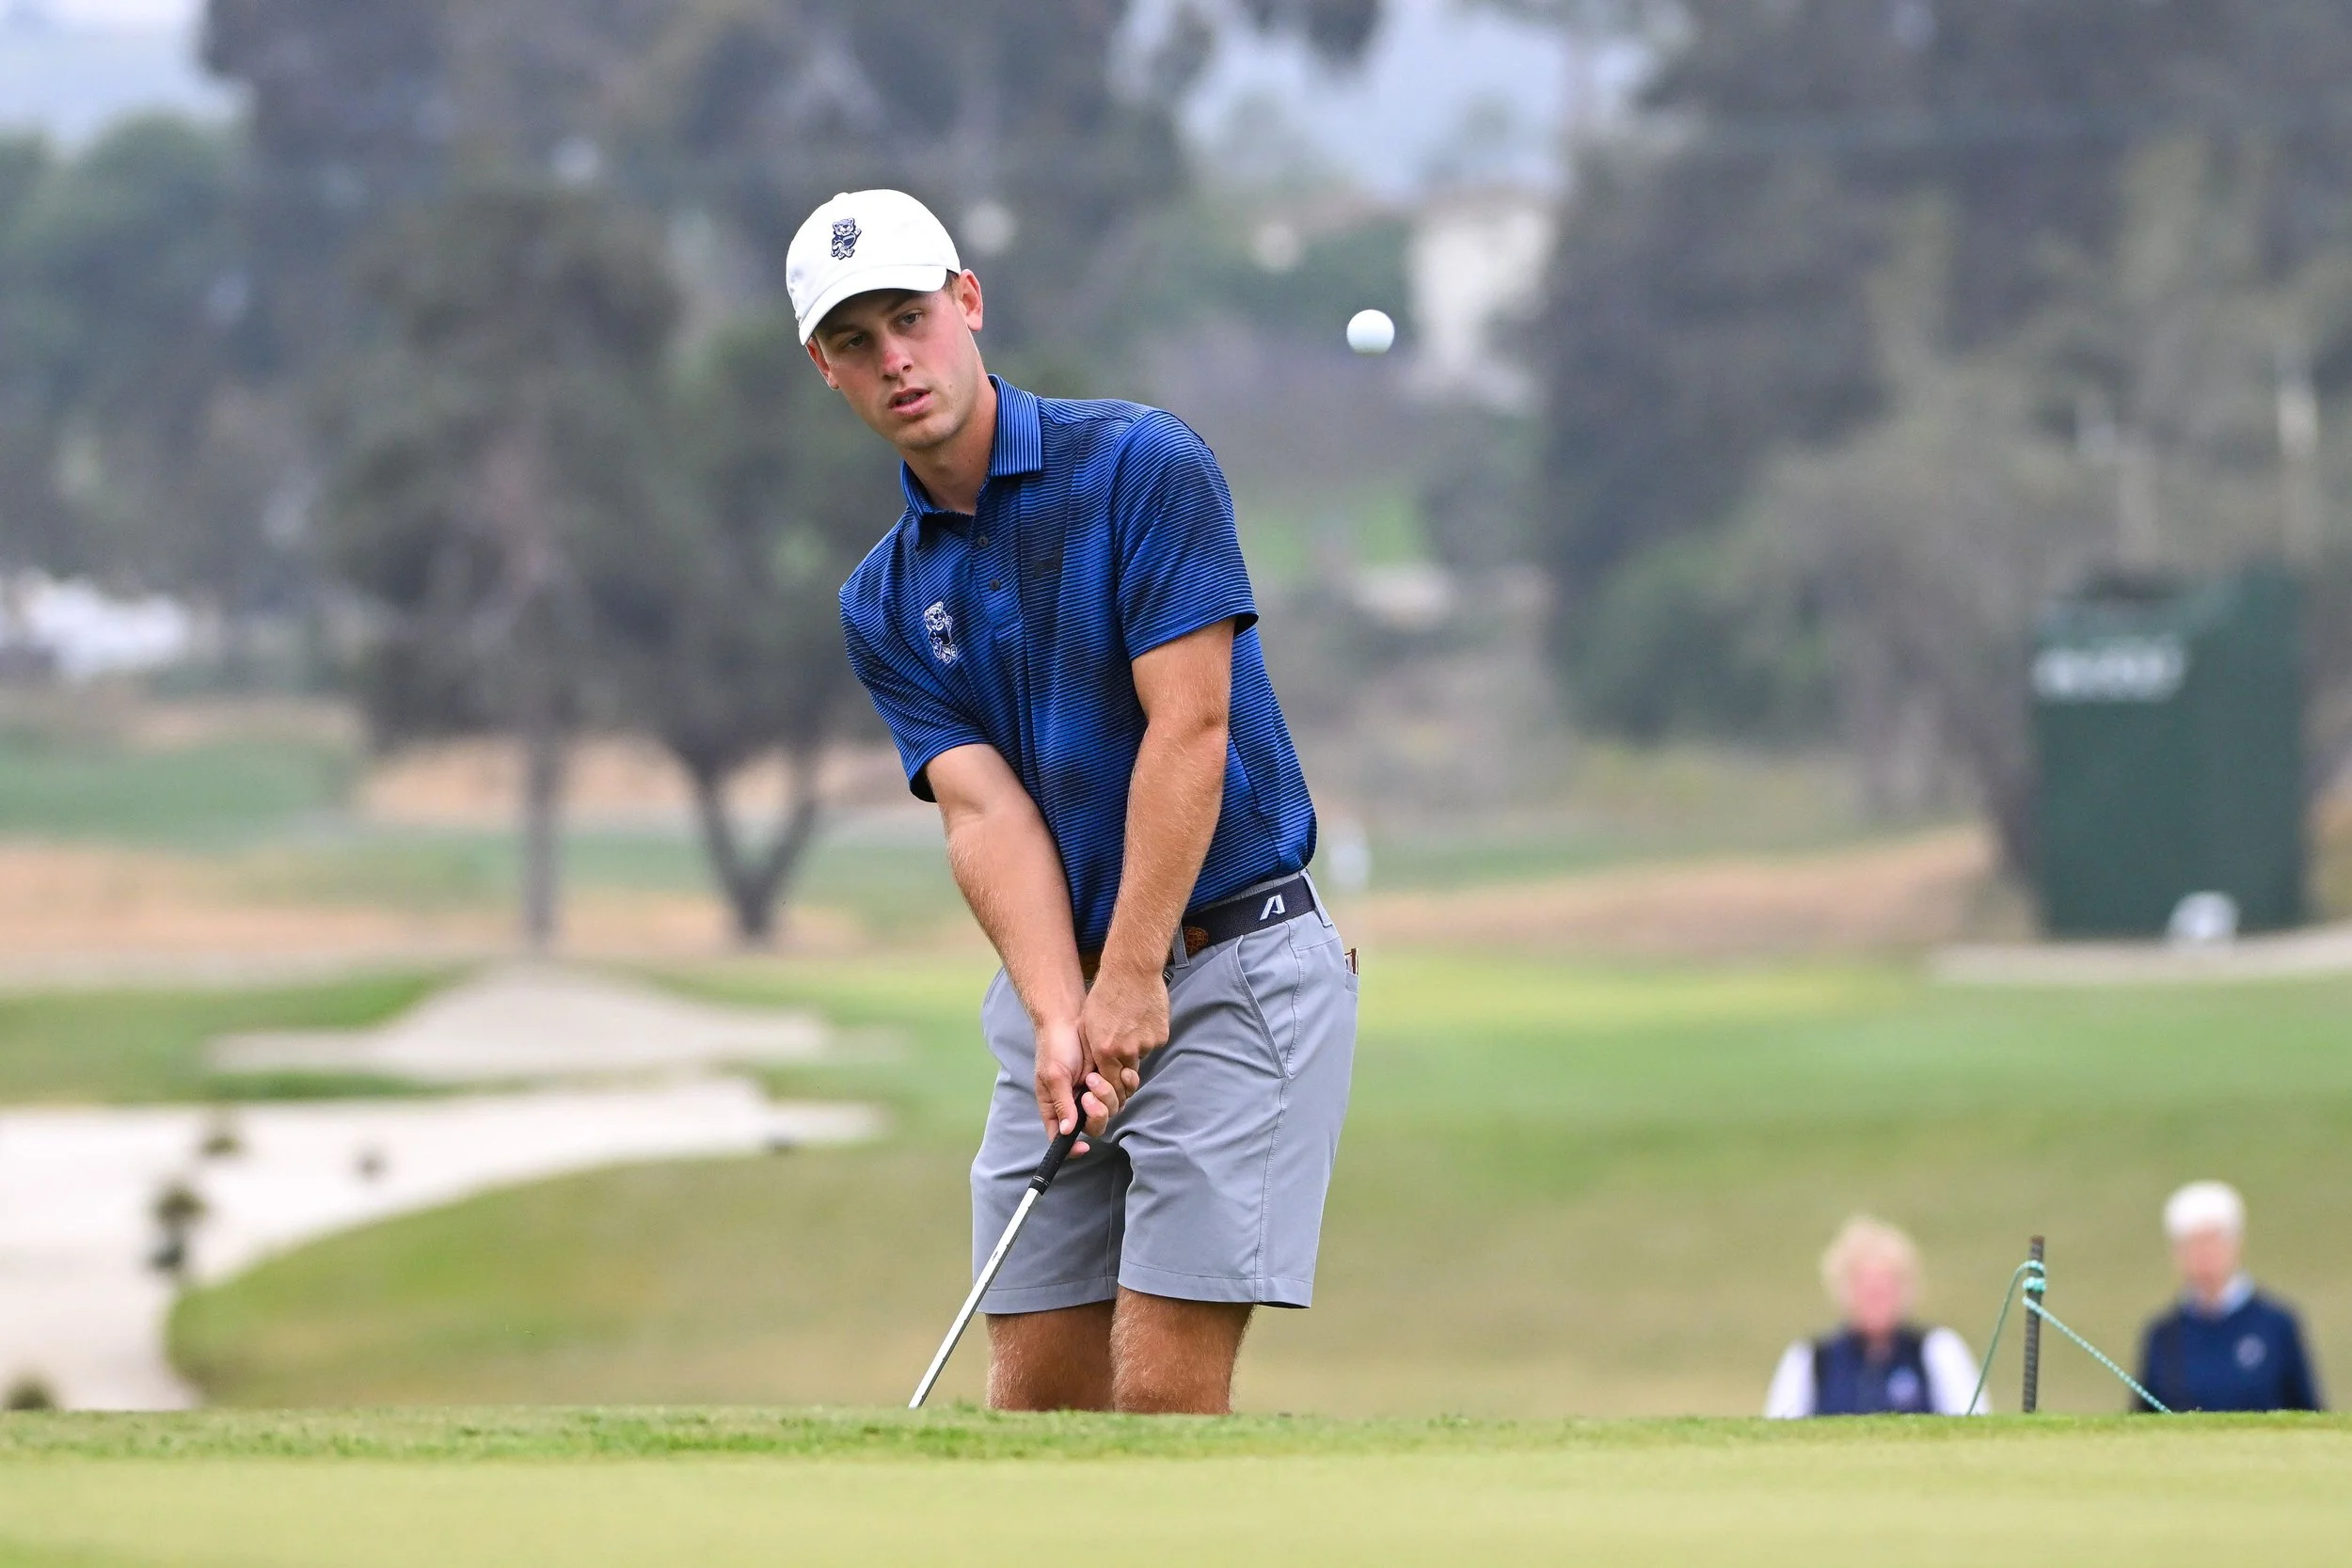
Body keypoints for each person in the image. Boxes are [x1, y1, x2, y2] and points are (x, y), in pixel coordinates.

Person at [793, 190, 1356, 1416]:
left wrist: (1131, 974)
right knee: (1036, 1389)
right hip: (1076, 983)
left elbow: (1190, 728)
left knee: (1160, 1387)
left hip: (1230, 959)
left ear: (969, 303)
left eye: (912, 317)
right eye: (856, 341)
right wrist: (1060, 1012)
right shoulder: (881, 600)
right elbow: (986, 817)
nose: (896, 359)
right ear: (824, 368)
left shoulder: (1140, 464)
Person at [1766, 1217, 1988, 1417]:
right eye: (1865, 1287)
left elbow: (1974, 1421)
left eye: (1887, 1286)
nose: (1877, 1298)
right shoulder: (1811, 1358)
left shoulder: (1937, 1350)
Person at [2134, 1180, 2322, 1413]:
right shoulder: (2163, 1334)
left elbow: (2308, 1411)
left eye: (2212, 1241)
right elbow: (2143, 1418)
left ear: (2236, 1243)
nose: (2203, 1254)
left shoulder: (2276, 1324)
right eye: (2191, 1244)